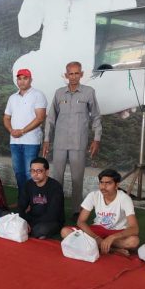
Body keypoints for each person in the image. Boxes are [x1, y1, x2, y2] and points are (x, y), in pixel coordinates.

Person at [12, 0, 145, 116]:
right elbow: (26, 29)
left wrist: (98, 71)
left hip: (95, 73)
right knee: (22, 69)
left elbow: (124, 32)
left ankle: (70, 102)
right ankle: (96, 103)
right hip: (53, 71)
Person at [43, 61, 101, 219]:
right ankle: (56, 208)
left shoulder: (89, 92)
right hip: (60, 142)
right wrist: (46, 140)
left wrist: (96, 139)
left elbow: (96, 116)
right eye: (71, 73)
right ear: (66, 75)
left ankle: (77, 210)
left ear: (81, 74)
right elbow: (50, 118)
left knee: (77, 178)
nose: (73, 76)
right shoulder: (59, 93)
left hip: (78, 143)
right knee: (57, 178)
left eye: (77, 73)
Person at [60, 169, 139, 256]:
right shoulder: (93, 195)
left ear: (116, 185)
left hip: (117, 231)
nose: (103, 187)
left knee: (133, 241)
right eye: (101, 182)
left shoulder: (124, 198)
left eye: (108, 183)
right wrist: (96, 238)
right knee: (65, 231)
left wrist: (112, 237)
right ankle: (113, 249)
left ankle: (97, 245)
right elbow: (81, 221)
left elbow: (134, 228)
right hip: (98, 230)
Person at [3, 69, 47, 188]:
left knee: (31, 174)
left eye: (25, 78)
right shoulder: (12, 98)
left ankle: (32, 202)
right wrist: (11, 130)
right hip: (14, 141)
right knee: (19, 173)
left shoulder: (38, 95)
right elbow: (6, 118)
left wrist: (22, 131)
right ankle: (23, 201)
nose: (22, 81)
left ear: (31, 80)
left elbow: (40, 118)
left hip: (31, 142)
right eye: (19, 78)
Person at [18, 157, 65, 239]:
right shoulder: (28, 185)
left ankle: (34, 232)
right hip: (32, 217)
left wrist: (28, 224)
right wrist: (23, 221)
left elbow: (53, 214)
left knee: (40, 230)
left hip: (51, 221)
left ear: (47, 172)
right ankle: (32, 232)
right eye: (32, 171)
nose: (35, 174)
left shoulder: (55, 187)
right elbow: (21, 205)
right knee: (6, 215)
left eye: (39, 171)